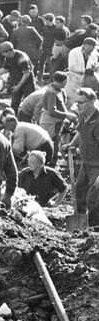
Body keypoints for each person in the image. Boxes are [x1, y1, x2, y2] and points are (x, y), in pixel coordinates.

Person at [69, 87, 99, 230]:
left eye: (81, 103)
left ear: (92, 102)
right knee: (79, 192)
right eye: (77, 102)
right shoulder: (83, 116)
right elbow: (80, 132)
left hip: (97, 166)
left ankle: (94, 229)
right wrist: (72, 144)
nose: (78, 106)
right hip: (86, 163)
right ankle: (81, 226)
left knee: (94, 197)